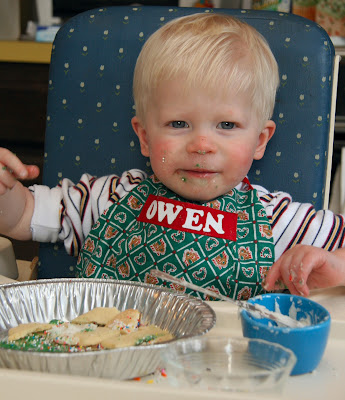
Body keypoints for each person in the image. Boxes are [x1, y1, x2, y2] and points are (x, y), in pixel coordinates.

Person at [0, 13, 345, 300]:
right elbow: (22, 217)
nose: (202, 145)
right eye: (179, 123)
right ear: (145, 138)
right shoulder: (110, 198)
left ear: (260, 141)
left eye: (227, 124)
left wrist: (335, 264)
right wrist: (4, 191)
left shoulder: (279, 221)